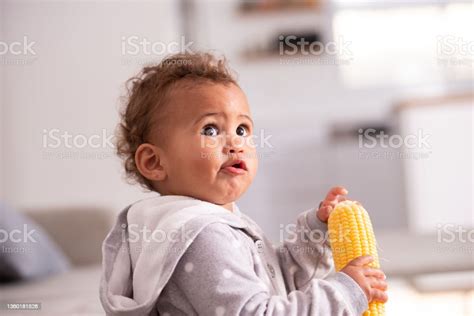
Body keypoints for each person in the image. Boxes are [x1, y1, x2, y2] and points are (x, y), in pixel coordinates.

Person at [99, 52, 388, 315]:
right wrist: (343, 292)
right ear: (154, 162)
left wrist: (316, 232)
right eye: (210, 129)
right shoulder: (201, 238)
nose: (235, 143)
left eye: (242, 129)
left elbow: (279, 283)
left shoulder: (214, 224)